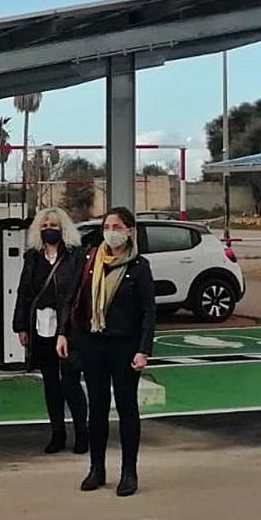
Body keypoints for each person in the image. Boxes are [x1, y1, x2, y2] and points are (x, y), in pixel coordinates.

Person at [58, 207, 154, 497]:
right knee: (97, 407)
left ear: (129, 231)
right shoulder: (89, 260)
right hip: (93, 342)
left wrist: (143, 350)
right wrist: (63, 332)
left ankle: (129, 472)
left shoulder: (139, 267)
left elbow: (149, 311)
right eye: (107, 226)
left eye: (117, 226)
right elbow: (72, 298)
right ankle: (96, 469)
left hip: (124, 346)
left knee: (126, 408)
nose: (111, 231)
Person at [13, 207, 89, 455]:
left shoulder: (76, 257)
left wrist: (69, 327)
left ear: (63, 229)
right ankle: (57, 432)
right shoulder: (33, 257)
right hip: (40, 327)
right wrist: (21, 325)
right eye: (44, 226)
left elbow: (77, 293)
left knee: (70, 382)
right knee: (50, 384)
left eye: (54, 226)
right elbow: (24, 292)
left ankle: (82, 433)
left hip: (68, 328)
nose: (49, 230)